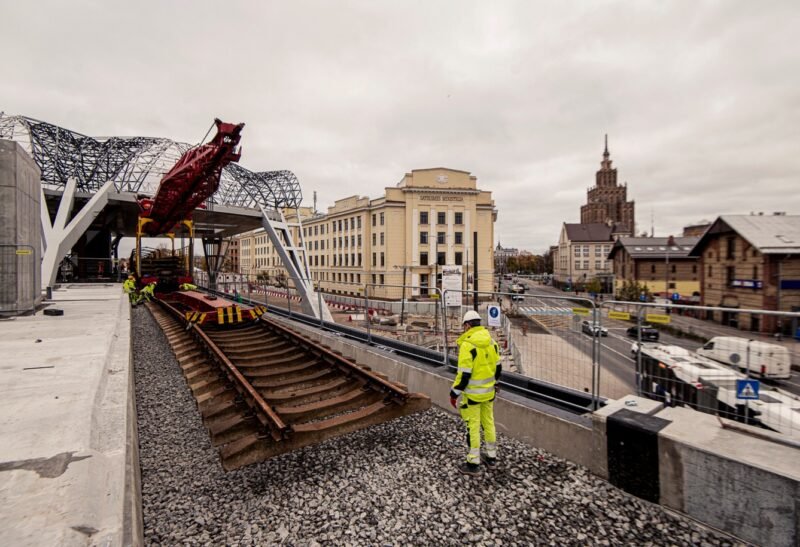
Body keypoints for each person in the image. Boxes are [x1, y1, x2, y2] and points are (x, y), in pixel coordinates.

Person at [449, 310, 502, 476]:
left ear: (467, 325)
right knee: (488, 423)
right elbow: (498, 368)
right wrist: (494, 383)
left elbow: (464, 375)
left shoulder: (468, 345)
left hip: (472, 396)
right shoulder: (492, 342)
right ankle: (491, 457)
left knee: (473, 426)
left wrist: (454, 393)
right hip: (489, 393)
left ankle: (473, 463)